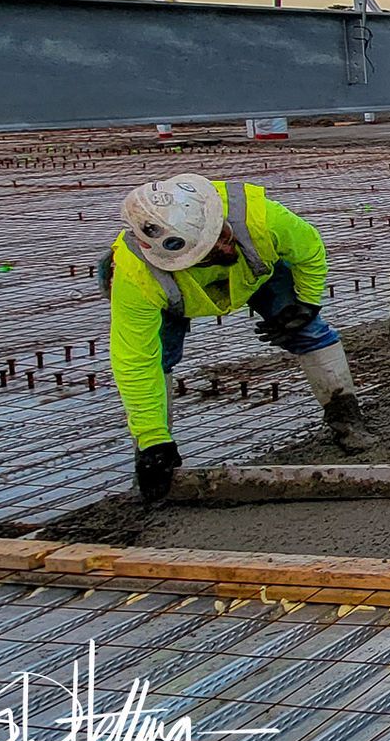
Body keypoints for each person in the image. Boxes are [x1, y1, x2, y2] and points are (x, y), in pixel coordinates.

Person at [105, 173, 368, 502]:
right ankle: (154, 454)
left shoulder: (261, 217)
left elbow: (310, 250)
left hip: (257, 275)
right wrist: (152, 440)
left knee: (308, 332)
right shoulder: (137, 277)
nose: (225, 246)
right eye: (211, 252)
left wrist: (308, 303)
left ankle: (346, 418)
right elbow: (134, 361)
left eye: (222, 235)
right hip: (178, 297)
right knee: (158, 361)